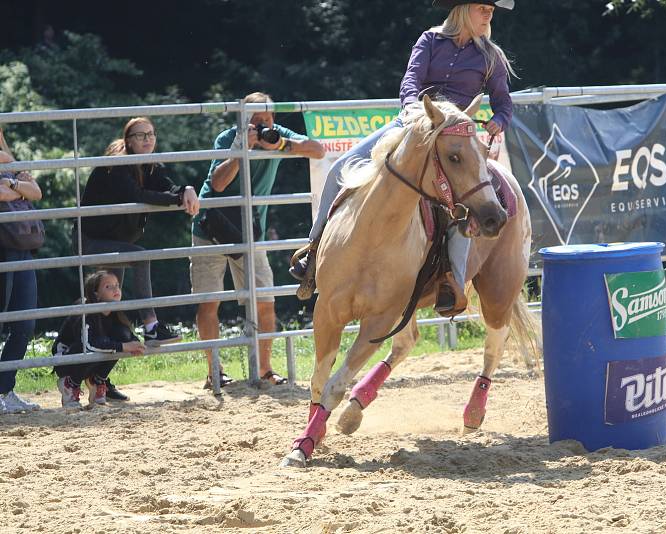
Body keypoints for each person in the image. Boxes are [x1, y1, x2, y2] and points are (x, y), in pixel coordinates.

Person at [289, 0, 516, 316]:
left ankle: (453, 280)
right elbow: (410, 82)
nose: (489, 13)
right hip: (412, 127)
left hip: (455, 140)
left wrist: (499, 121)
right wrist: (413, 110)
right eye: (483, 7)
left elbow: (504, 104)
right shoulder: (430, 40)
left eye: (491, 9)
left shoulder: (491, 57)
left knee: (464, 203)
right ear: (464, 9)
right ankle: (313, 251)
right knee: (341, 167)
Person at [191, 92, 325, 389]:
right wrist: (243, 148)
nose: (264, 124)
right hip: (210, 227)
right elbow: (218, 183)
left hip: (251, 233)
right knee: (209, 301)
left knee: (265, 302)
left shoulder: (277, 135)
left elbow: (317, 150)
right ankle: (214, 372)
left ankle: (264, 369)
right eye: (257, 120)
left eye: (268, 118)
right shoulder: (227, 138)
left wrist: (281, 144)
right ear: (242, 119)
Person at [75, 117, 199, 398]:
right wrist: (178, 200)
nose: (148, 139)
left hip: (116, 242)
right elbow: (140, 195)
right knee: (138, 262)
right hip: (92, 240)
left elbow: (166, 187)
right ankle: (152, 326)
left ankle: (98, 378)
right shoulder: (117, 165)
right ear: (128, 140)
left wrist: (186, 190)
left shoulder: (150, 165)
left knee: (114, 309)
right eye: (141, 135)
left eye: (152, 134)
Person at [53, 271, 145, 410]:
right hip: (67, 361)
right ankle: (70, 383)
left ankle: (97, 380)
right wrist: (124, 346)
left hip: (92, 354)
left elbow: (126, 336)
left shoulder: (115, 311)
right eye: (109, 287)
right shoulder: (86, 310)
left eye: (117, 285)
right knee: (102, 344)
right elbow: (90, 344)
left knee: (122, 337)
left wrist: (135, 344)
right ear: (96, 293)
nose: (116, 290)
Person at [0, 128, 42, 414]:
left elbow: (35, 191)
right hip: (3, 245)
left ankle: (5, 388)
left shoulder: (7, 159)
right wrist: (17, 186)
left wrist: (12, 185)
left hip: (20, 244)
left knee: (25, 322)